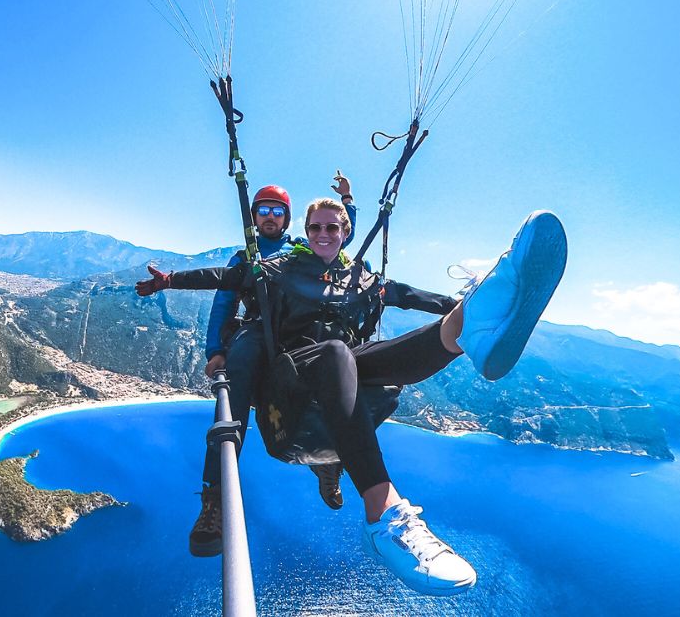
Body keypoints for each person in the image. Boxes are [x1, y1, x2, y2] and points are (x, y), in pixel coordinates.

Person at [136, 199, 568, 596]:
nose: (324, 234)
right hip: (288, 390)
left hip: (337, 376)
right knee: (337, 353)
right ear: (305, 232)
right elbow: (223, 278)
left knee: (385, 361)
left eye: (333, 227)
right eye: (316, 228)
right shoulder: (278, 269)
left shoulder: (362, 279)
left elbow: (410, 296)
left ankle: (470, 325)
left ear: (345, 231)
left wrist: (449, 303)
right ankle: (383, 514)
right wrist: (170, 281)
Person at [191, 173, 359, 557]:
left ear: (286, 218)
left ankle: (328, 460)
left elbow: (337, 236)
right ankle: (215, 497)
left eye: (277, 212)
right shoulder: (244, 258)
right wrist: (216, 351)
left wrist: (347, 200)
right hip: (254, 333)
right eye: (263, 211)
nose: (270, 217)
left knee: (331, 377)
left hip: (292, 332)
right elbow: (223, 304)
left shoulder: (301, 249)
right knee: (233, 403)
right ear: (255, 217)